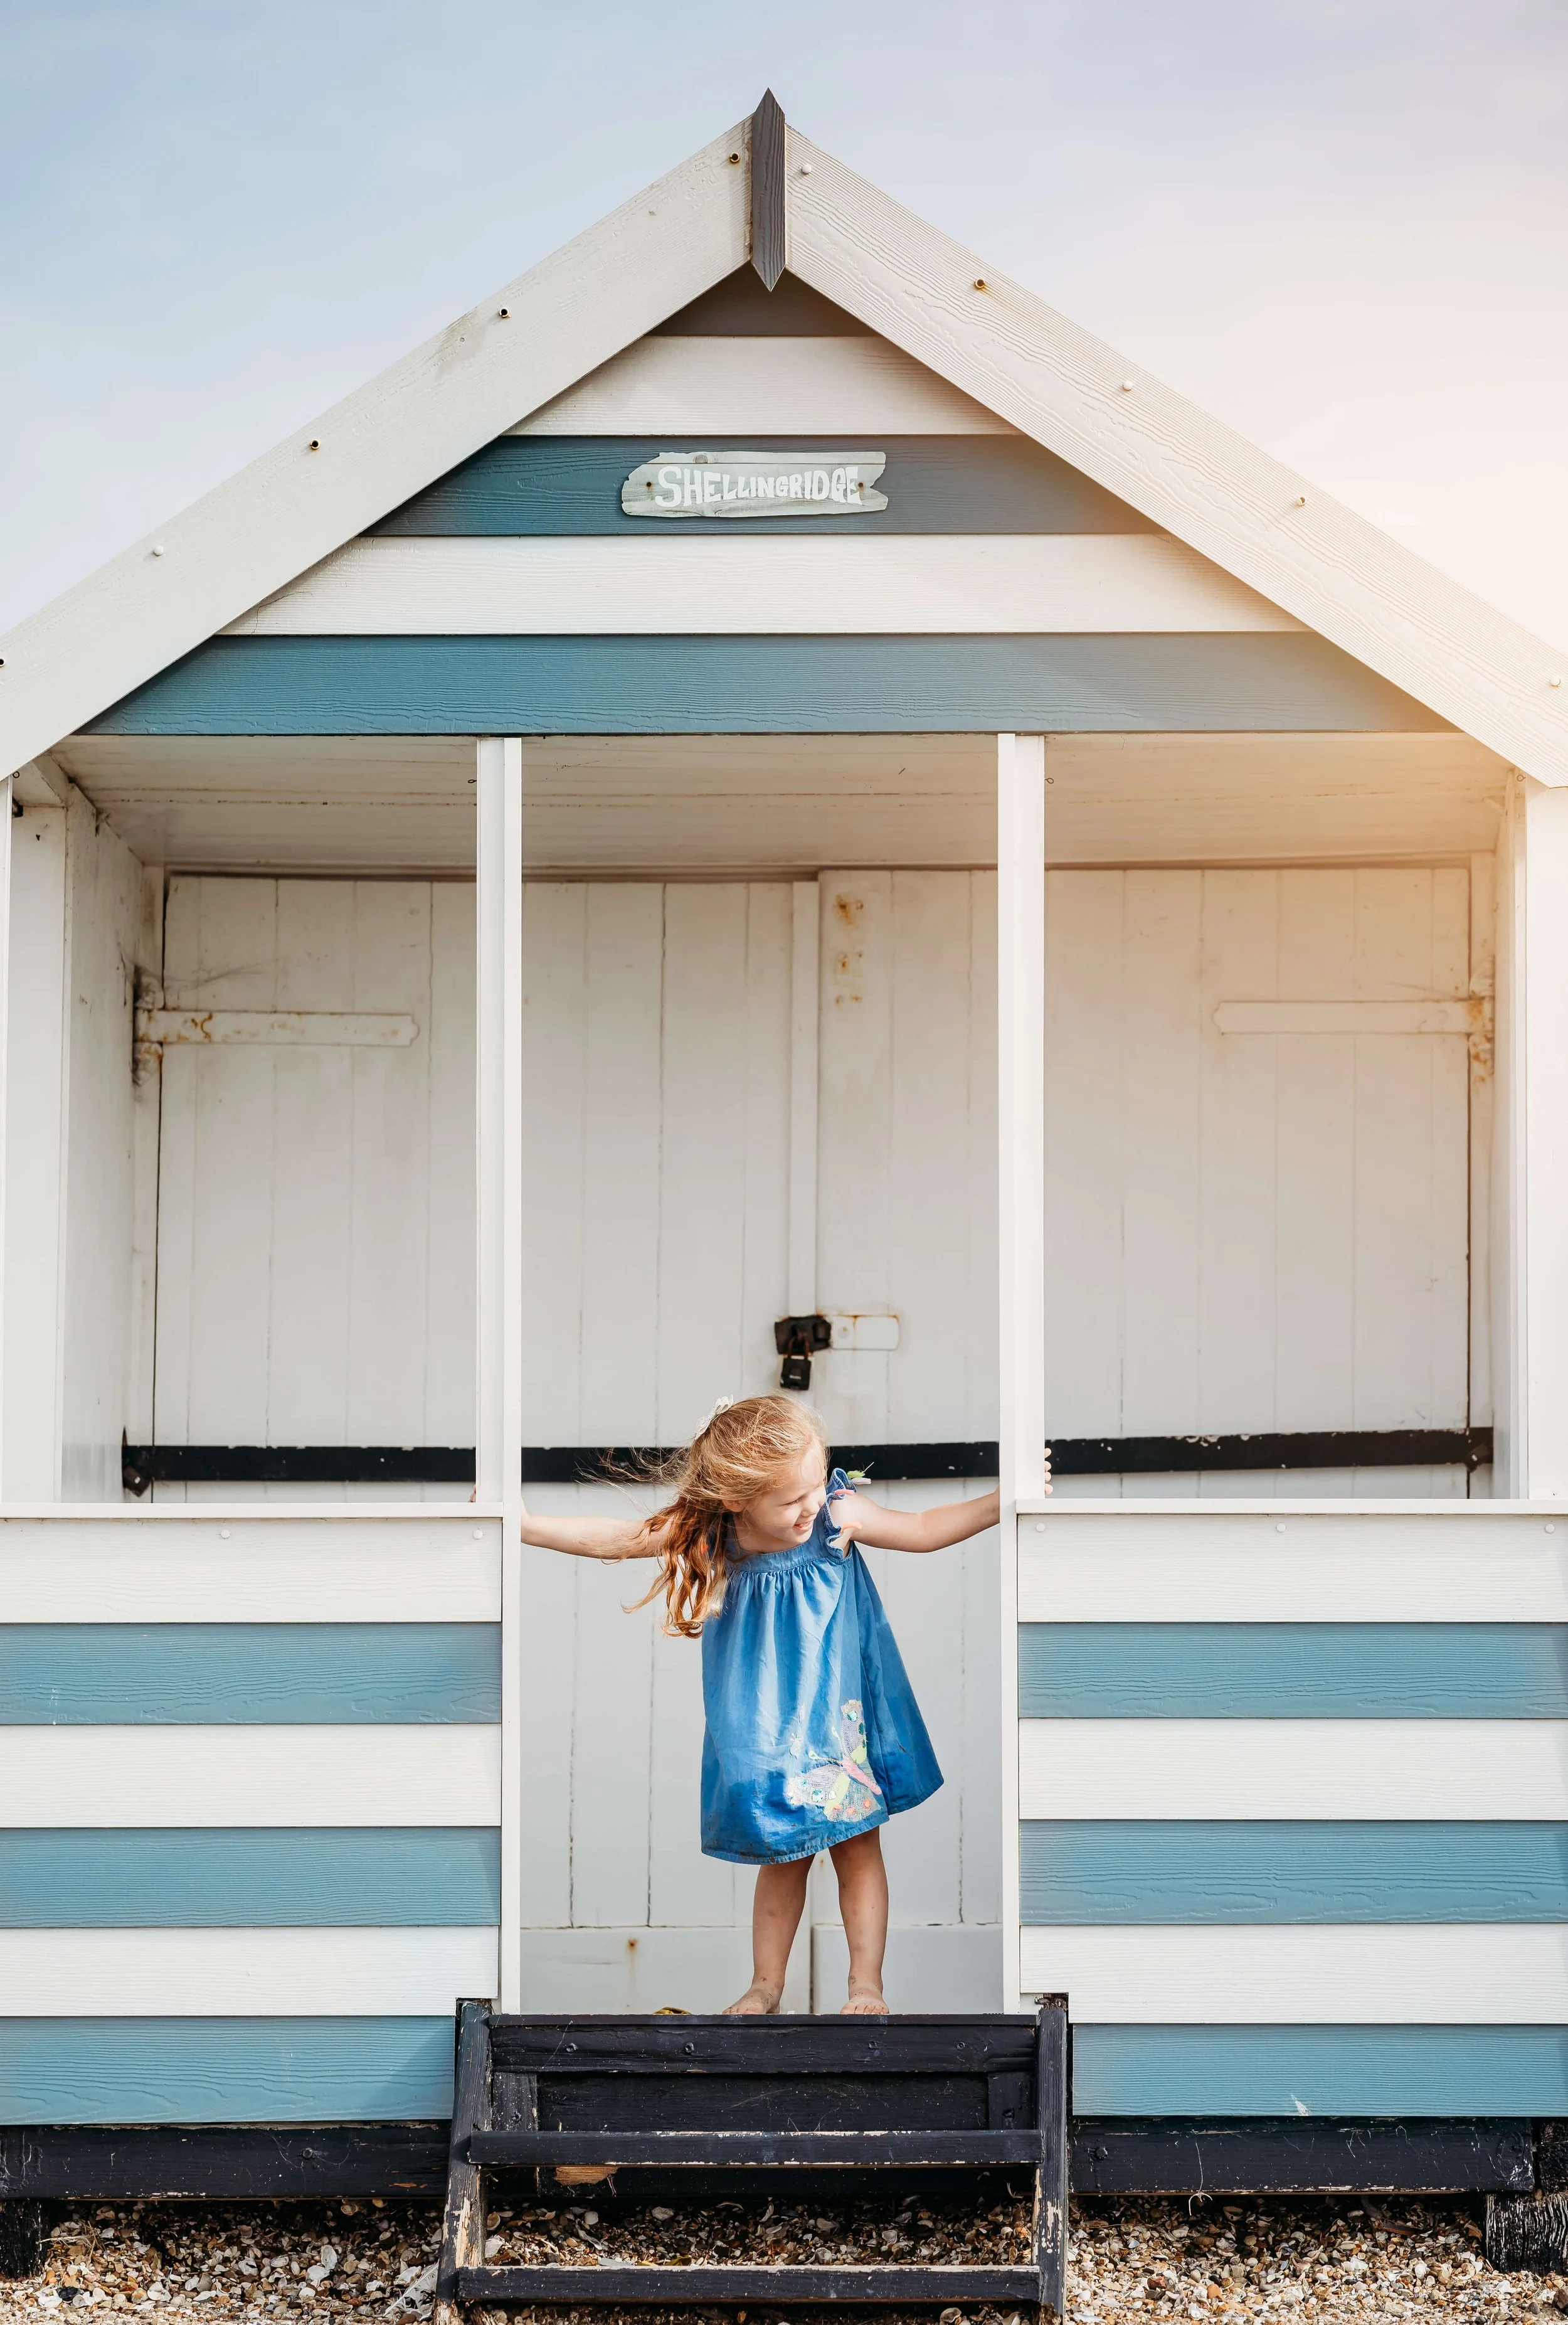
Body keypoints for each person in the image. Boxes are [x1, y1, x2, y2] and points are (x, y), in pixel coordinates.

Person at [519, 1393, 1043, 2016]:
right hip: (766, 1729)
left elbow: (924, 1529)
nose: (810, 1505)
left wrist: (1004, 1498)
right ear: (738, 1499)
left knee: (857, 1847)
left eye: (815, 1485)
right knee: (783, 1857)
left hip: (834, 1724)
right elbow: (621, 1537)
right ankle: (766, 1984)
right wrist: (524, 1525)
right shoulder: (716, 1532)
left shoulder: (835, 1515)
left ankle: (865, 1984)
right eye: (791, 1499)